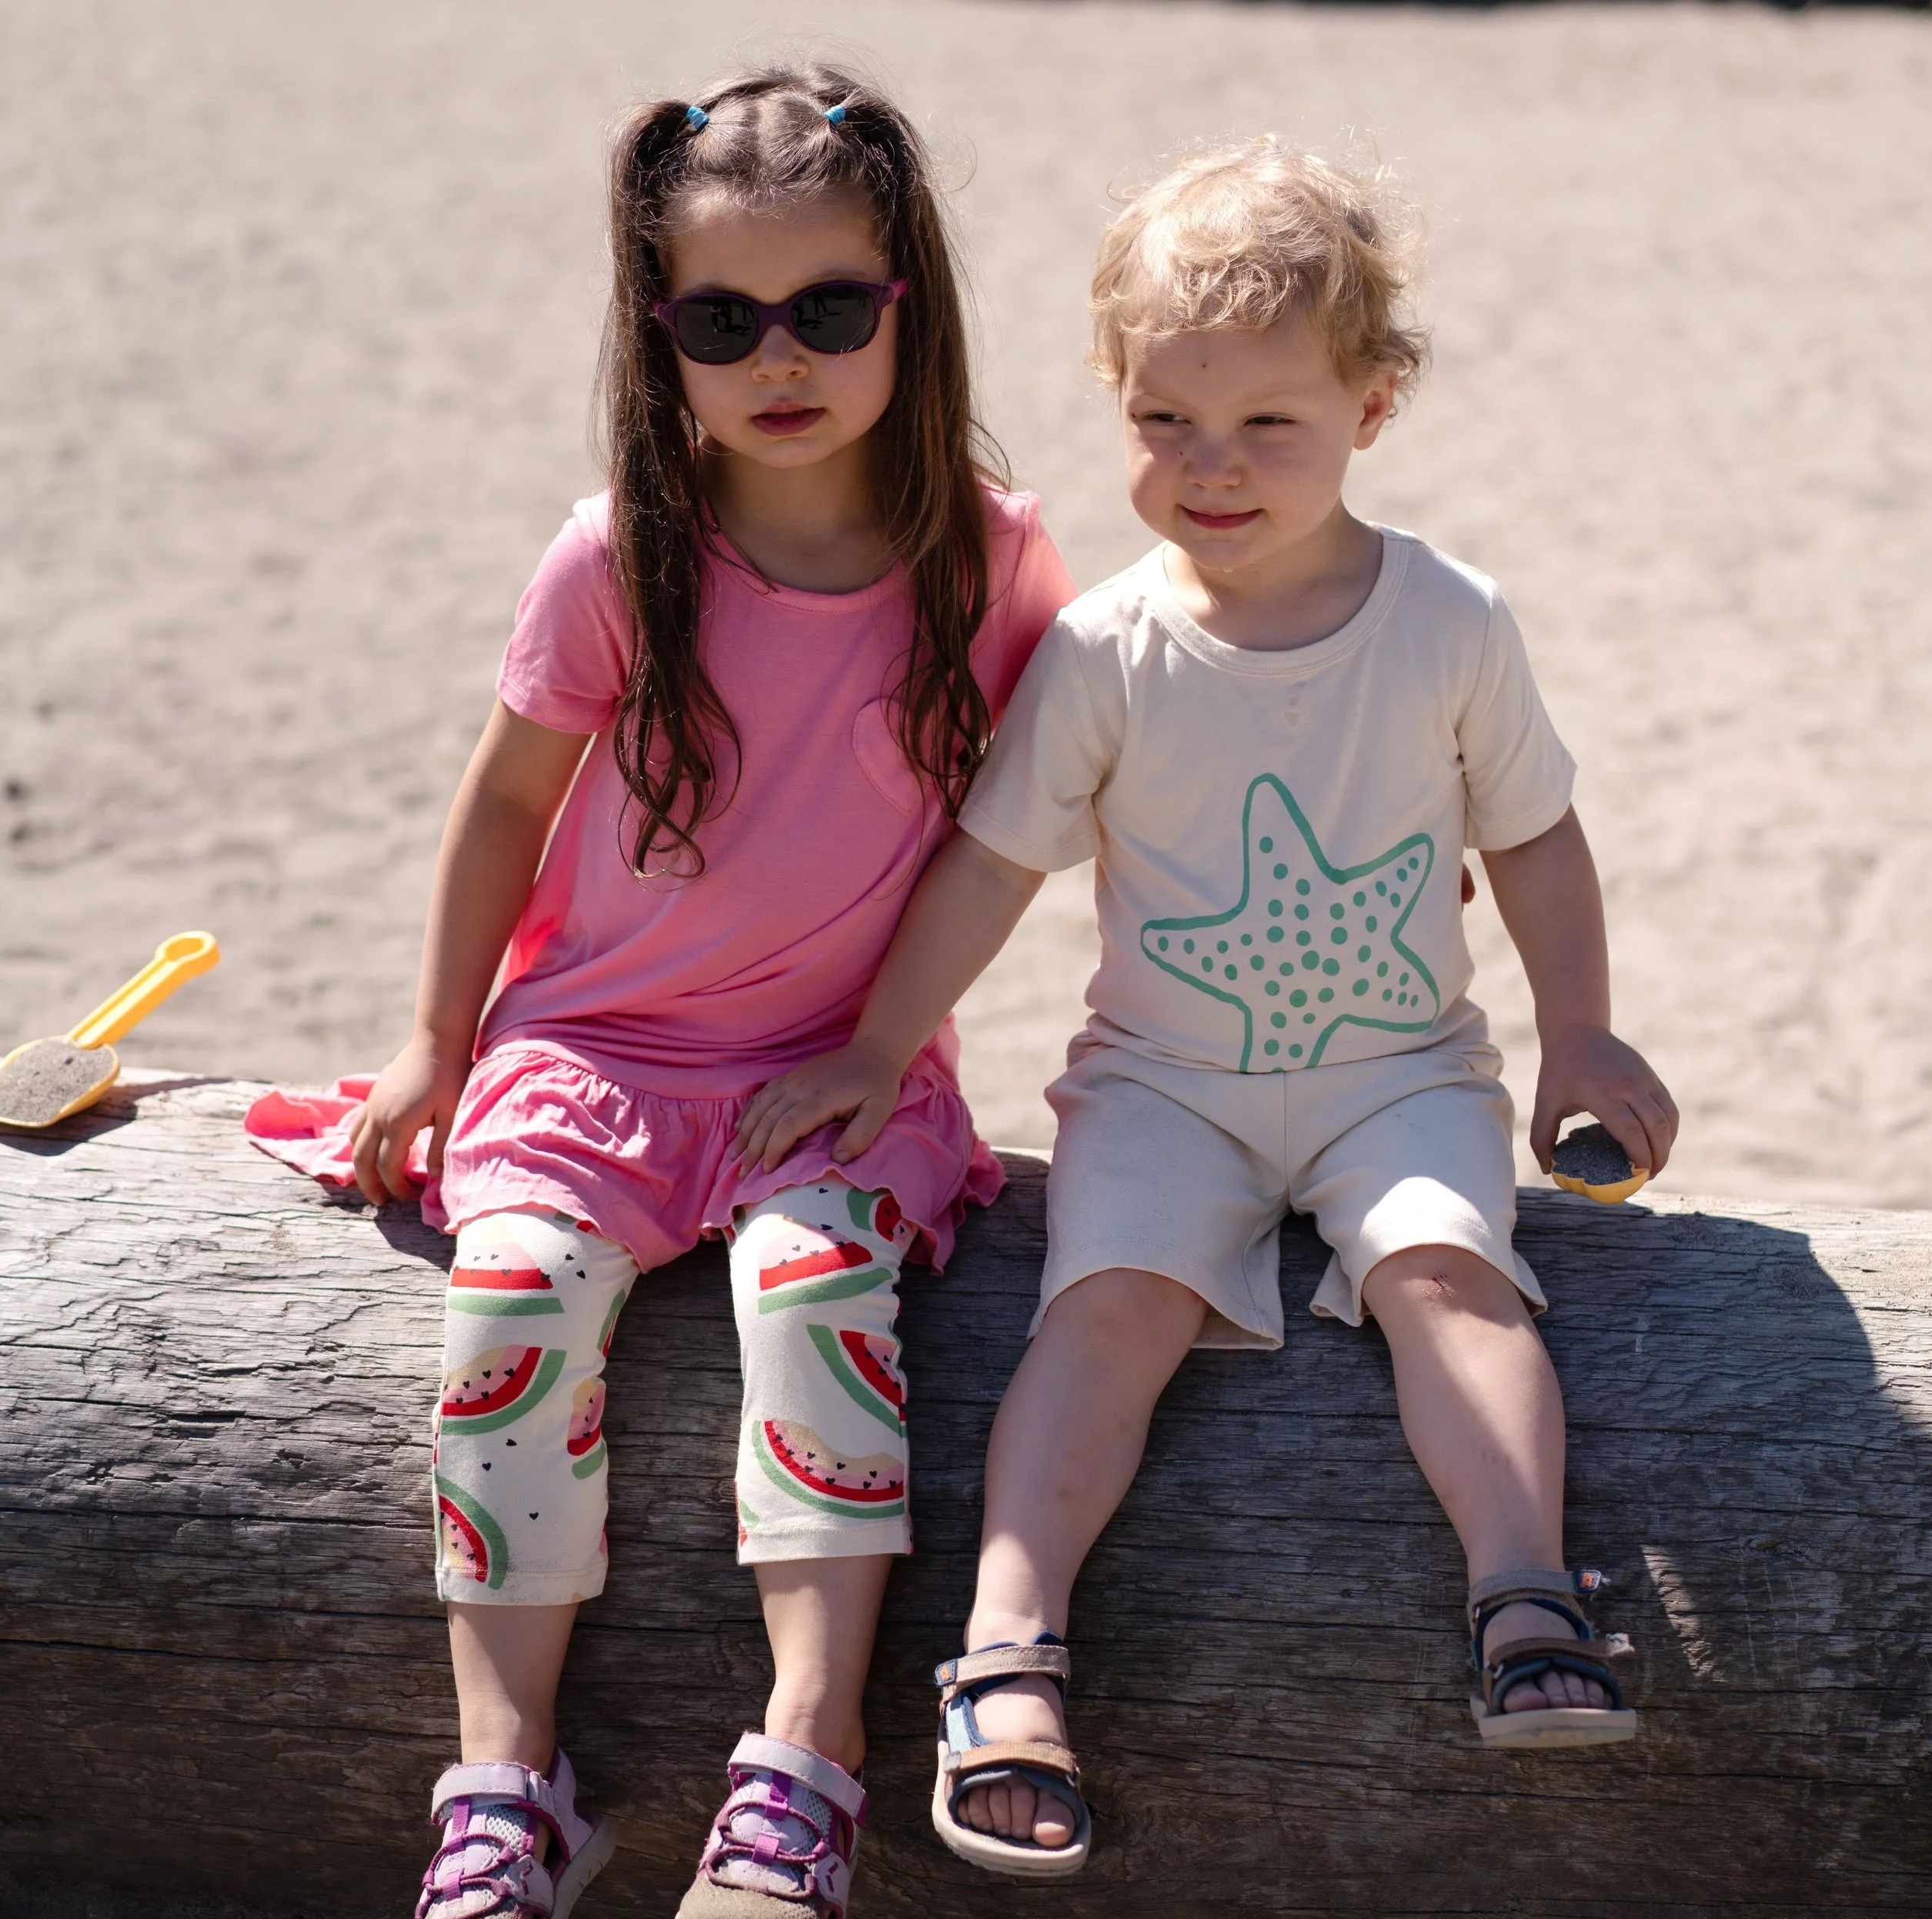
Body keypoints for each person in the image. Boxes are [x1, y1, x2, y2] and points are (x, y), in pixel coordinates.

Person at [733, 137, 1679, 1878]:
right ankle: (1005, 1652)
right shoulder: (1102, 649)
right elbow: (989, 868)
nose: (1210, 469)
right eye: (1166, 421)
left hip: (1398, 1074)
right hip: (1163, 1081)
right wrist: (876, 1045)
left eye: (1267, 426)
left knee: (1446, 1280)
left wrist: (1581, 1031)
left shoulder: (1448, 621)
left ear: (1371, 408)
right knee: (1104, 1316)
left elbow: (1534, 834)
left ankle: (1525, 1594)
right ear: (1115, 399)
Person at [346, 65, 1074, 1919]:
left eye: (830, 309)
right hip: (593, 1054)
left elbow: (1089, 776)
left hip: (837, 1067)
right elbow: (506, 797)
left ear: (905, 304)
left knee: (815, 1299)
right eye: (719, 317)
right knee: (506, 1314)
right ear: (653, 327)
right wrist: (438, 1041)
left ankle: (805, 1766)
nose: (781, 354)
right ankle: (505, 1789)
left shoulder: (986, 562)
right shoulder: (617, 553)